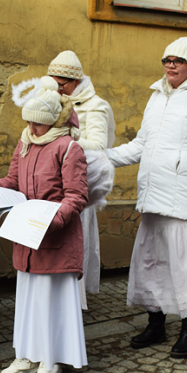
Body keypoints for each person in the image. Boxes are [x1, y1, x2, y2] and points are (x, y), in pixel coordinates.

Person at [105, 36, 187, 358]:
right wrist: (98, 156)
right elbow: (140, 145)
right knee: (153, 263)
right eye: (167, 60)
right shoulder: (157, 98)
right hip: (154, 198)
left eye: (178, 60)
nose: (171, 65)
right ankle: (156, 323)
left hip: (185, 200)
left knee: (185, 266)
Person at [0, 76, 89, 373]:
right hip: (27, 236)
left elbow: (76, 196)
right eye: (29, 122)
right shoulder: (25, 144)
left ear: (51, 122)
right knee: (28, 300)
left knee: (50, 300)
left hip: (55, 238)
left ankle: (50, 358)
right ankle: (25, 354)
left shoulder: (69, 147)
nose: (32, 129)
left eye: (38, 124)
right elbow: (12, 181)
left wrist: (55, 218)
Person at [47, 50, 116, 309]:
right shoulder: (52, 99)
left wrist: (64, 136)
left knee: (74, 245)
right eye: (52, 83)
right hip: (52, 184)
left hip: (77, 184)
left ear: (75, 81)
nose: (56, 89)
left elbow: (99, 146)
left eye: (60, 84)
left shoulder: (96, 105)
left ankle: (73, 302)